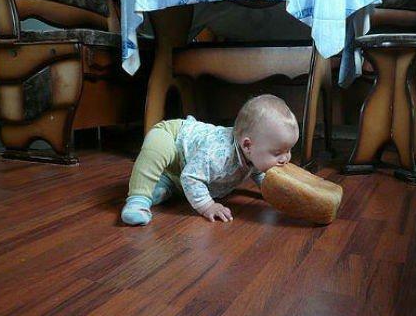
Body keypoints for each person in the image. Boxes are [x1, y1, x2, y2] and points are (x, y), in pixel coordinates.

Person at [121, 94, 300, 225]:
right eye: (278, 152)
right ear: (247, 145)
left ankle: (165, 184)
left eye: (289, 150)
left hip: (186, 164)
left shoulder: (254, 155)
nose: (286, 158)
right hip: (173, 136)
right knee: (157, 149)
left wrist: (273, 193)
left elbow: (260, 174)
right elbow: (190, 176)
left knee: (185, 181)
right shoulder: (218, 154)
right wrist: (208, 206)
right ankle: (138, 200)